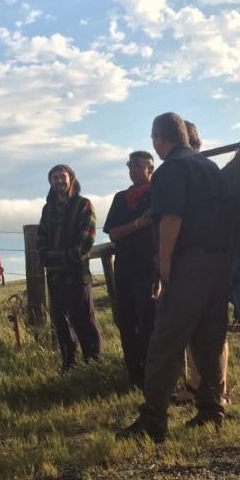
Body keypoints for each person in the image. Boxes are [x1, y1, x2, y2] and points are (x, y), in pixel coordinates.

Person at [118, 112, 232, 442]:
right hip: (219, 263)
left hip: (189, 264)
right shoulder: (209, 167)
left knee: (166, 340)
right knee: (208, 338)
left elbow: (171, 218)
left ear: (158, 138)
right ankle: (212, 409)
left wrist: (165, 261)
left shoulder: (171, 170)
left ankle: (153, 418)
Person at [174, 120, 231, 406]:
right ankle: (203, 388)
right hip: (214, 257)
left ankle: (212, 391)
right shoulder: (209, 170)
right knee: (205, 330)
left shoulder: (192, 171)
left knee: (208, 331)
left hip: (198, 258)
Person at [38, 164, 102, 371]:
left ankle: (93, 364)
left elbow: (86, 241)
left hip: (77, 273)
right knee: (60, 321)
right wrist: (48, 257)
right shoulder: (47, 210)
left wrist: (57, 257)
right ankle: (69, 364)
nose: (58, 181)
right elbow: (41, 240)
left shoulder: (84, 205)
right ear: (50, 182)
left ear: (71, 178)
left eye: (62, 177)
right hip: (55, 277)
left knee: (83, 318)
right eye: (54, 178)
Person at [103, 151, 156, 389]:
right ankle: (134, 375)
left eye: (139, 165)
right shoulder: (120, 198)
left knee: (149, 320)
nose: (134, 170)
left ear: (151, 169)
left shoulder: (159, 194)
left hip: (150, 266)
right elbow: (113, 233)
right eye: (130, 165)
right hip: (124, 266)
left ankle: (153, 375)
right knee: (126, 320)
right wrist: (137, 224)